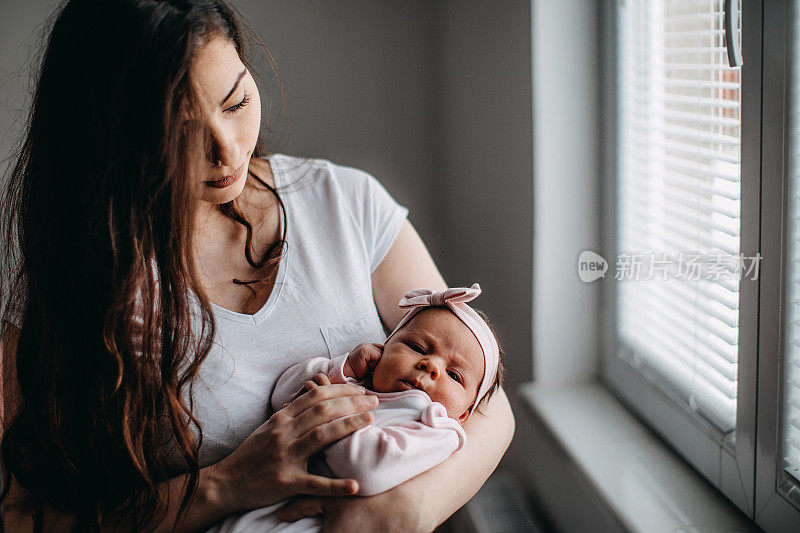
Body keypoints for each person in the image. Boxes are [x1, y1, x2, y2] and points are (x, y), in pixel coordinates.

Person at [0, 0, 515, 531]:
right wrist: (224, 484)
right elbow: (19, 517)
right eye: (176, 132)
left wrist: (402, 511)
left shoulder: (347, 204)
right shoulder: (73, 287)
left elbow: (486, 400)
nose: (225, 152)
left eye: (237, 101)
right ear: (105, 139)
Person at [210, 284, 505, 532]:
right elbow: (282, 396)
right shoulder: (355, 383)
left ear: (464, 413)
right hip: (254, 513)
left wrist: (326, 412)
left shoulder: (436, 428)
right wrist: (343, 369)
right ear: (383, 349)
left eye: (454, 375)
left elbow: (368, 469)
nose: (432, 366)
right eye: (417, 347)